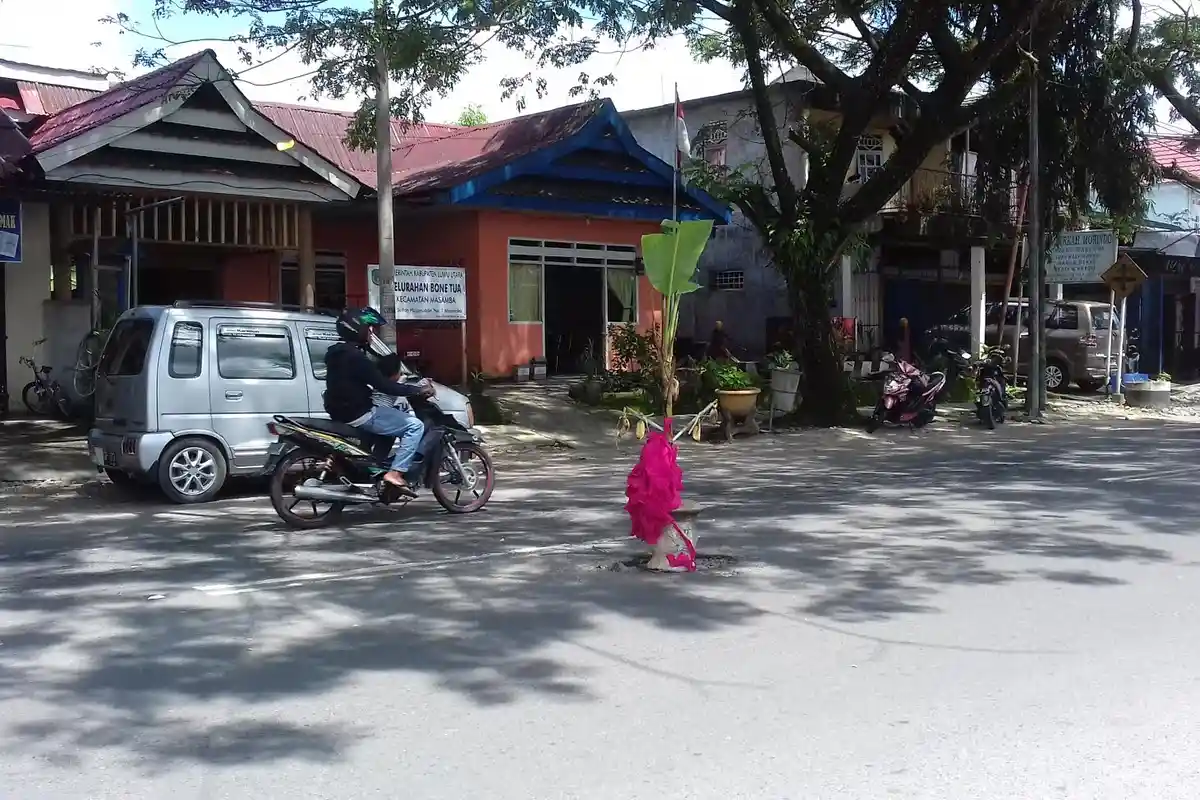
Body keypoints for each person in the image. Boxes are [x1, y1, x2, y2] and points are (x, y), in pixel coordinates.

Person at [323, 307, 432, 494]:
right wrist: (417, 390)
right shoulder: (356, 358)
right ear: (357, 329)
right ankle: (396, 474)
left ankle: (374, 467)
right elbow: (386, 386)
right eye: (369, 328)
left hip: (340, 411)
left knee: (390, 424)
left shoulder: (335, 353)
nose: (371, 333)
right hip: (360, 413)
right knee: (414, 426)